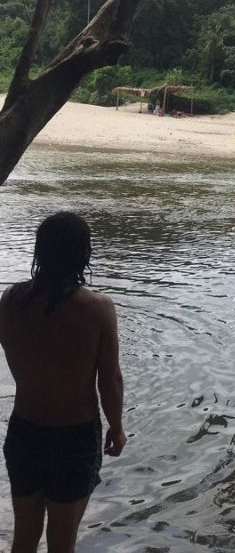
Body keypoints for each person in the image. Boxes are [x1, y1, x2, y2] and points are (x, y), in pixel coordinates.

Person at [0, 211, 126, 553]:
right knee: (62, 542)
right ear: (83, 254)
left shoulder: (10, 301)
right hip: (74, 438)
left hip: (24, 430)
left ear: (39, 252)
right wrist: (116, 427)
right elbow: (110, 379)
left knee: (24, 538)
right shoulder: (98, 308)